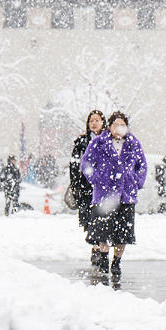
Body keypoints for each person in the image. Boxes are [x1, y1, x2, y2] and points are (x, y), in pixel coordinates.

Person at [80, 110, 147, 286]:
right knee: (103, 230)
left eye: (122, 124)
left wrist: (137, 181)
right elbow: (86, 162)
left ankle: (116, 261)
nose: (119, 128)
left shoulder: (133, 143)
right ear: (109, 127)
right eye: (116, 124)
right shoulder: (99, 143)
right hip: (104, 194)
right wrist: (95, 178)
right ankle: (103, 256)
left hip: (126, 194)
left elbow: (142, 165)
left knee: (122, 232)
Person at [70, 110, 105, 269]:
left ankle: (99, 247)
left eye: (97, 120)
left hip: (103, 187)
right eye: (91, 120)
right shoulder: (81, 142)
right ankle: (96, 246)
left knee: (102, 217)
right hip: (85, 187)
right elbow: (74, 165)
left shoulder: (107, 141)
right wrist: (76, 184)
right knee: (89, 218)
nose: (94, 123)